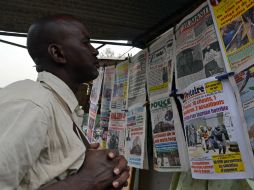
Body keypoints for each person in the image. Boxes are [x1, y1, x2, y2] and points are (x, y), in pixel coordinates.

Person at [0, 15, 129, 189]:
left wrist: (102, 168)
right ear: (58, 53)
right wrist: (86, 180)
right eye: (85, 43)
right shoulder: (33, 103)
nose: (95, 50)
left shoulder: (59, 106)